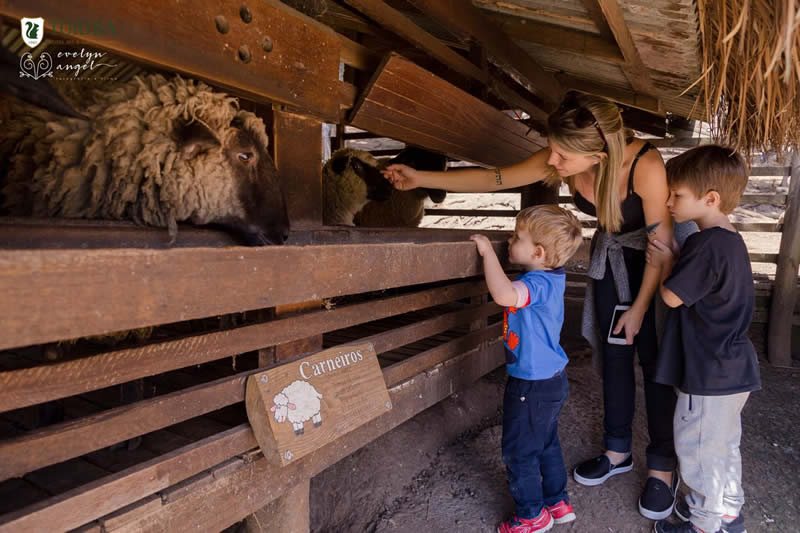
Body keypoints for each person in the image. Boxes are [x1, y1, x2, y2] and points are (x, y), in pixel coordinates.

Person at [384, 91, 680, 518]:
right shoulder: (570, 151)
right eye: (553, 151)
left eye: (561, 156)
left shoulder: (645, 166)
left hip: (653, 263)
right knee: (613, 356)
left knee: (654, 362)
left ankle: (662, 469)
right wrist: (423, 179)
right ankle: (617, 453)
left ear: (598, 152)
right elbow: (497, 179)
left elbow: (662, 244)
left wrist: (639, 309)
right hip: (610, 259)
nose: (552, 162)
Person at [646, 145, 760, 533]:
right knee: (723, 447)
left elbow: (672, 297)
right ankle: (728, 513)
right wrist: (679, 258)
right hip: (734, 368)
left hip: (707, 372)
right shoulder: (731, 241)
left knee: (696, 451)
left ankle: (704, 523)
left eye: (677, 195)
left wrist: (664, 265)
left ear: (709, 199)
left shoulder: (703, 244)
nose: (668, 202)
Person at [470, 204, 583, 533]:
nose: (509, 240)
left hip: (531, 386)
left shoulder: (537, 284)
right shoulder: (551, 278)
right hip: (550, 382)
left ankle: (531, 515)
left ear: (537, 252)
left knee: (519, 451)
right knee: (546, 442)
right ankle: (557, 502)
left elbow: (505, 295)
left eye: (517, 237)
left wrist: (488, 253)